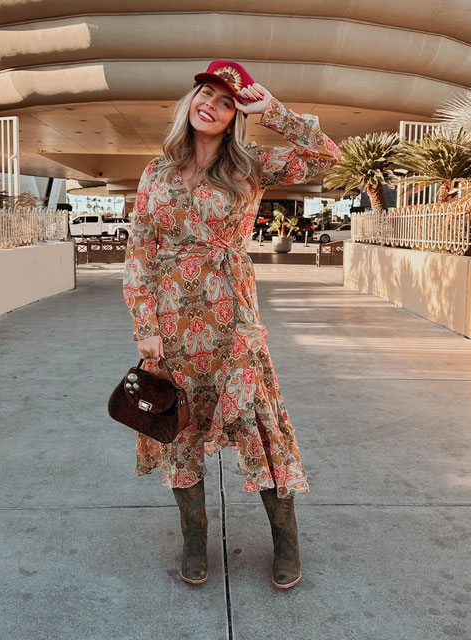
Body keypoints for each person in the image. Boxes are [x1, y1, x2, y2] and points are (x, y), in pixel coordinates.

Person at [122, 60, 341, 589]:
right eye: (205, 93)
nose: (211, 106)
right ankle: (195, 539)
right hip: (173, 316)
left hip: (232, 311)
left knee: (256, 419)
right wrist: (144, 322)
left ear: (235, 114)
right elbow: (141, 249)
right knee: (179, 426)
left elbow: (327, 157)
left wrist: (274, 111)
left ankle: (286, 541)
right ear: (190, 100)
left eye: (225, 101)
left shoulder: (251, 164)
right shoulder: (158, 172)